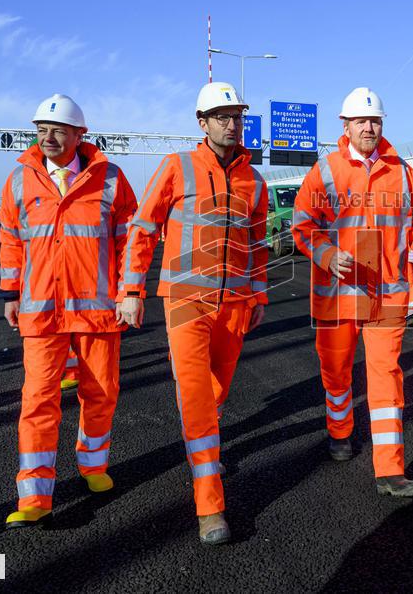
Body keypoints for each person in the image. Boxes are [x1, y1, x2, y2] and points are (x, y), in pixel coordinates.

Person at [119, 82, 268, 545]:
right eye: (222, 116)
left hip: (235, 304)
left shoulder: (255, 181)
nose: (232, 123)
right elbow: (142, 230)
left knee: (218, 389)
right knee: (198, 395)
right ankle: (210, 504)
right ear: (202, 123)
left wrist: (259, 295)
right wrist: (131, 290)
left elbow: (258, 243)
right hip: (185, 302)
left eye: (237, 116)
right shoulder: (176, 167)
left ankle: (202, 438)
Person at [0, 94, 137, 528]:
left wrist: (129, 292)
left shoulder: (110, 179)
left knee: (101, 393)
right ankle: (35, 494)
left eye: (58, 130)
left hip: (98, 311)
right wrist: (10, 293)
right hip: (42, 311)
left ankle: (93, 465)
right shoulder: (19, 180)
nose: (48, 138)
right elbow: (10, 240)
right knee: (38, 400)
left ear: (80, 135)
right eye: (42, 130)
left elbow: (129, 241)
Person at [292, 87, 413, 498]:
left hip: (387, 293)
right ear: (346, 126)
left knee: (386, 375)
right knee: (336, 369)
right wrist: (326, 254)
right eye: (361, 121)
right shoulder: (325, 171)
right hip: (338, 292)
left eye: (375, 121)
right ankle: (340, 430)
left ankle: (390, 469)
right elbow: (303, 224)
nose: (369, 128)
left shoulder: (403, 172)